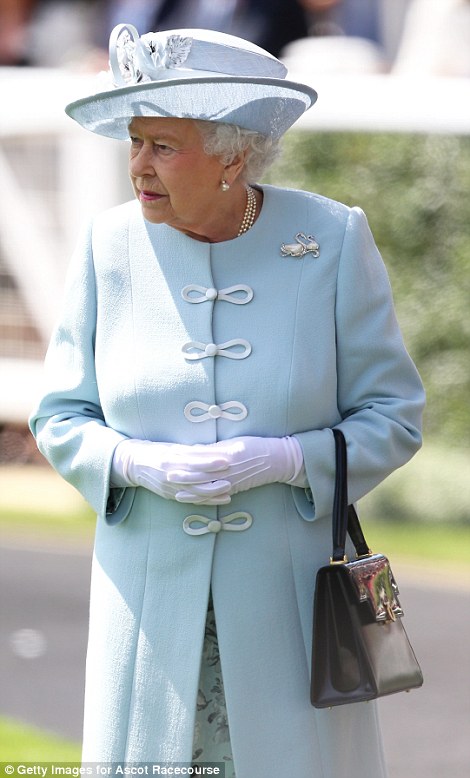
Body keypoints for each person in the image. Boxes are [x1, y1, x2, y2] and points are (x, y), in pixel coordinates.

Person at [29, 22, 425, 778]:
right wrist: (133, 462)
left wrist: (285, 459)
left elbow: (394, 415)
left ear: (233, 153)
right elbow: (59, 416)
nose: (138, 166)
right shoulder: (105, 248)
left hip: (291, 610)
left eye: (163, 146)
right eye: (134, 142)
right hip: (147, 606)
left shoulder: (331, 239)